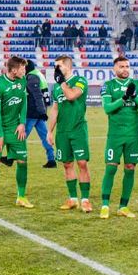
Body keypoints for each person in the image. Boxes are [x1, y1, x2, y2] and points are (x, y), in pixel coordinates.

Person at [99, 56, 138, 219]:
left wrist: (134, 96)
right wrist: (124, 98)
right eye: (121, 66)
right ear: (114, 69)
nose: (125, 69)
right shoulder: (108, 86)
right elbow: (107, 108)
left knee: (130, 169)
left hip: (134, 135)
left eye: (127, 66)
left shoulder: (137, 84)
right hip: (115, 135)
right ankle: (105, 205)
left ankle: (123, 207)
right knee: (111, 167)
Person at [47, 55, 92, 213]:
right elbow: (55, 109)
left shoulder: (80, 81)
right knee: (67, 164)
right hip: (62, 131)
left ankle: (85, 200)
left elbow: (71, 95)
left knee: (82, 164)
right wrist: (49, 131)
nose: (56, 70)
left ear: (68, 67)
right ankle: (73, 199)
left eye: (59, 66)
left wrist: (62, 83)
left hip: (78, 130)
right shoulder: (57, 87)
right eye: (55, 67)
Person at [0, 56, 31, 209]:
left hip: (15, 128)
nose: (24, 71)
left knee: (22, 161)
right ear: (13, 70)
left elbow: (24, 102)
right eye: (22, 69)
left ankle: (21, 197)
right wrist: (0, 135)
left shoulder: (22, 81)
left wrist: (22, 123)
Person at [24, 60, 55, 169]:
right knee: (45, 136)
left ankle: (14, 156)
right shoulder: (38, 74)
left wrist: (41, 111)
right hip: (40, 111)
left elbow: (37, 96)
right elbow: (44, 95)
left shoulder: (32, 77)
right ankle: (52, 159)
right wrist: (43, 111)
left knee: (22, 135)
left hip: (33, 111)